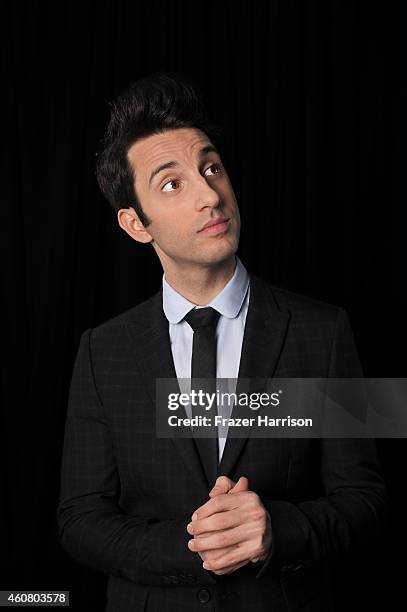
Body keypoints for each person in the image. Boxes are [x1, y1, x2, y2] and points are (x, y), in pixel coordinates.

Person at [57, 73, 387, 612]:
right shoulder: (101, 351)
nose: (210, 194)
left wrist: (278, 529)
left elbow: (368, 499)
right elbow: (79, 517)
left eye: (211, 168)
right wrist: (200, 548)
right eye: (172, 183)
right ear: (135, 225)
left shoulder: (324, 331)